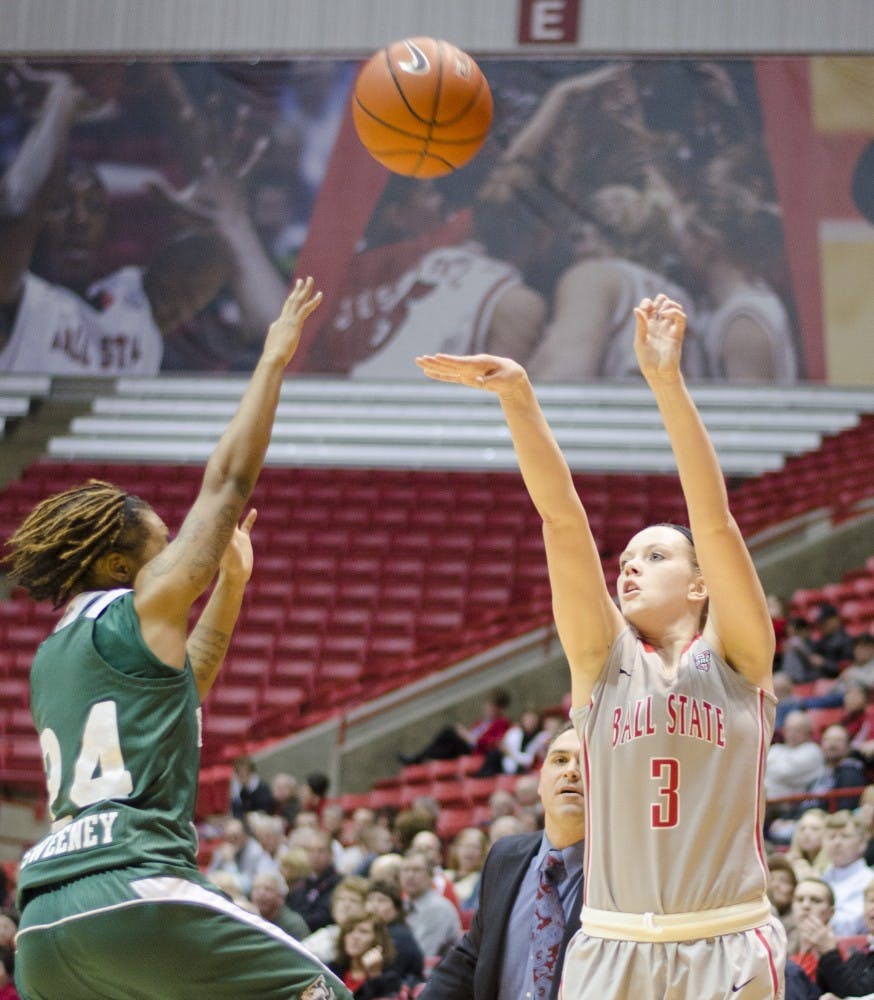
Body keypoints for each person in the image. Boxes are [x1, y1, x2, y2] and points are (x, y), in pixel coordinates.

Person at [416, 292, 786, 1000]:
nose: (629, 566)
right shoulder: (603, 661)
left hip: (726, 942)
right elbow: (561, 519)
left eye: (654, 556)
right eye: (627, 559)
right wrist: (519, 400)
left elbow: (714, 520)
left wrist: (666, 383)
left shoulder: (739, 658)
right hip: (613, 946)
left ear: (702, 585)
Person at [5, 278, 352, 999]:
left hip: (41, 922)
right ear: (114, 563)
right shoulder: (141, 605)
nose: (174, 555)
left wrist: (231, 587)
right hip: (133, 890)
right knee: (324, 992)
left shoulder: (52, 657)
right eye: (162, 547)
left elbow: (183, 685)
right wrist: (272, 361)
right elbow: (227, 482)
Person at [421, 724, 585, 1000]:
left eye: (586, 762)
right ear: (541, 781)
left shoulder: (620, 872)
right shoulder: (504, 857)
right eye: (560, 760)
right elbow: (471, 957)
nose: (571, 771)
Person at [398, 688, 513, 765]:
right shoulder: (480, 722)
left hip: (475, 751)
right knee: (444, 748)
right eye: (488, 705)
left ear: (499, 708)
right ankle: (421, 759)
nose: (487, 708)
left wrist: (467, 736)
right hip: (465, 747)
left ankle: (418, 758)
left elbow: (491, 743)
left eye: (491, 706)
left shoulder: (502, 723)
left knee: (448, 732)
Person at [398, 849, 461, 963]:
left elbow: (423, 955)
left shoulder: (439, 909)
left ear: (430, 876)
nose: (410, 875)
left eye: (417, 870)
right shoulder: (401, 904)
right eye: (405, 870)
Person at [817, 877, 874, 998]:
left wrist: (829, 952)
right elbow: (831, 987)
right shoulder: (861, 953)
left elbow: (857, 993)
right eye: (872, 901)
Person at [822, 810, 874, 936]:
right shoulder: (822, 879)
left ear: (862, 844)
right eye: (832, 837)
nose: (836, 842)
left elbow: (850, 927)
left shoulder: (869, 880)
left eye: (845, 836)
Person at [365, 879, 425, 988]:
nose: (374, 906)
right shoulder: (368, 931)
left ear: (396, 908)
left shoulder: (400, 936)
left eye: (381, 900)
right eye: (370, 900)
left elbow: (393, 978)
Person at [328, 913, 403, 1000]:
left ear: (377, 939)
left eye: (363, 932)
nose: (355, 936)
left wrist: (375, 974)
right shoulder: (331, 970)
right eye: (349, 931)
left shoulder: (389, 979)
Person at [787, 877, 836, 984]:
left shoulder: (838, 958)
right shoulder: (779, 948)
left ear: (831, 912)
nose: (805, 906)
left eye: (815, 900)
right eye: (799, 899)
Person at [251, 870, 312, 941]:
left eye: (268, 889)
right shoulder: (252, 921)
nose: (261, 894)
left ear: (281, 896)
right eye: (256, 889)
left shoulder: (294, 925)